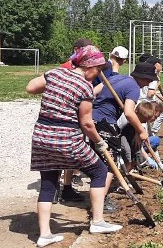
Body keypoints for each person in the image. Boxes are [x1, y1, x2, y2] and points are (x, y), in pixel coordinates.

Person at [25, 45, 121, 247]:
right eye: (98, 69)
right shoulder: (84, 87)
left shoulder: (55, 73)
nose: (98, 74)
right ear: (89, 66)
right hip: (66, 138)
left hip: (42, 136)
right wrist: (100, 142)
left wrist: (56, 89)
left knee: (49, 182)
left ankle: (45, 234)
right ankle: (98, 221)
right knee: (99, 171)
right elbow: (86, 123)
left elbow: (31, 87)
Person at [90, 62, 156, 214]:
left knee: (100, 162)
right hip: (105, 123)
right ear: (143, 78)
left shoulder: (118, 79)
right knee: (109, 165)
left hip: (92, 119)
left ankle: (98, 197)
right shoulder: (134, 88)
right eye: (149, 80)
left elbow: (94, 92)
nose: (149, 83)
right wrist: (141, 131)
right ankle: (101, 201)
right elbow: (129, 112)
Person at [57, 38, 92, 203]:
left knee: (70, 153)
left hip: (78, 114)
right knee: (60, 153)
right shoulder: (66, 67)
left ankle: (67, 186)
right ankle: (56, 188)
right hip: (64, 115)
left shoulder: (86, 68)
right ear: (76, 49)